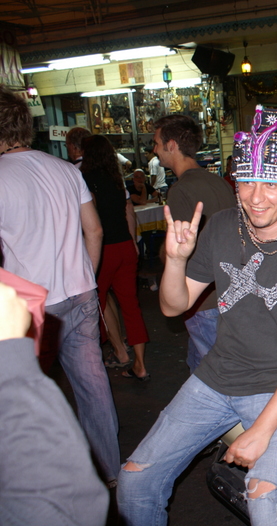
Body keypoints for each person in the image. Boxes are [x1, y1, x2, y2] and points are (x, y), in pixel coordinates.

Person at [116, 105, 277, 526]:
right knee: (133, 483)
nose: (256, 196)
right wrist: (176, 260)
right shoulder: (220, 227)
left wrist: (262, 431)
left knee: (266, 508)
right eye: (248, 181)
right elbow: (172, 307)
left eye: (270, 183)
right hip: (215, 378)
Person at [0, 85, 120, 486]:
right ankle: (108, 470)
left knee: (26, 393)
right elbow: (96, 230)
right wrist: (84, 275)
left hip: (31, 306)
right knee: (93, 386)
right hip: (80, 292)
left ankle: (39, 479)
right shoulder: (67, 171)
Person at [0, 281, 110, 526]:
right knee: (93, 385)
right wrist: (12, 359)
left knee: (90, 385)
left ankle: (108, 470)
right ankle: (109, 470)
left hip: (53, 296)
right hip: (75, 289)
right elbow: (80, 510)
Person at [154, 114, 237, 372]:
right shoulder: (218, 181)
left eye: (156, 143)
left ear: (171, 145)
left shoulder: (180, 190)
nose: (154, 150)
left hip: (202, 299)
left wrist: (162, 254)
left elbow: (177, 250)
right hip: (228, 292)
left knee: (213, 376)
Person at [81, 135, 151, 380]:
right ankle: (140, 364)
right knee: (131, 306)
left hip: (103, 248)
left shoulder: (85, 180)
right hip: (124, 245)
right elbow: (129, 211)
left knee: (95, 305)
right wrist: (132, 242)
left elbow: (90, 220)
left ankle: (97, 361)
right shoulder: (117, 180)